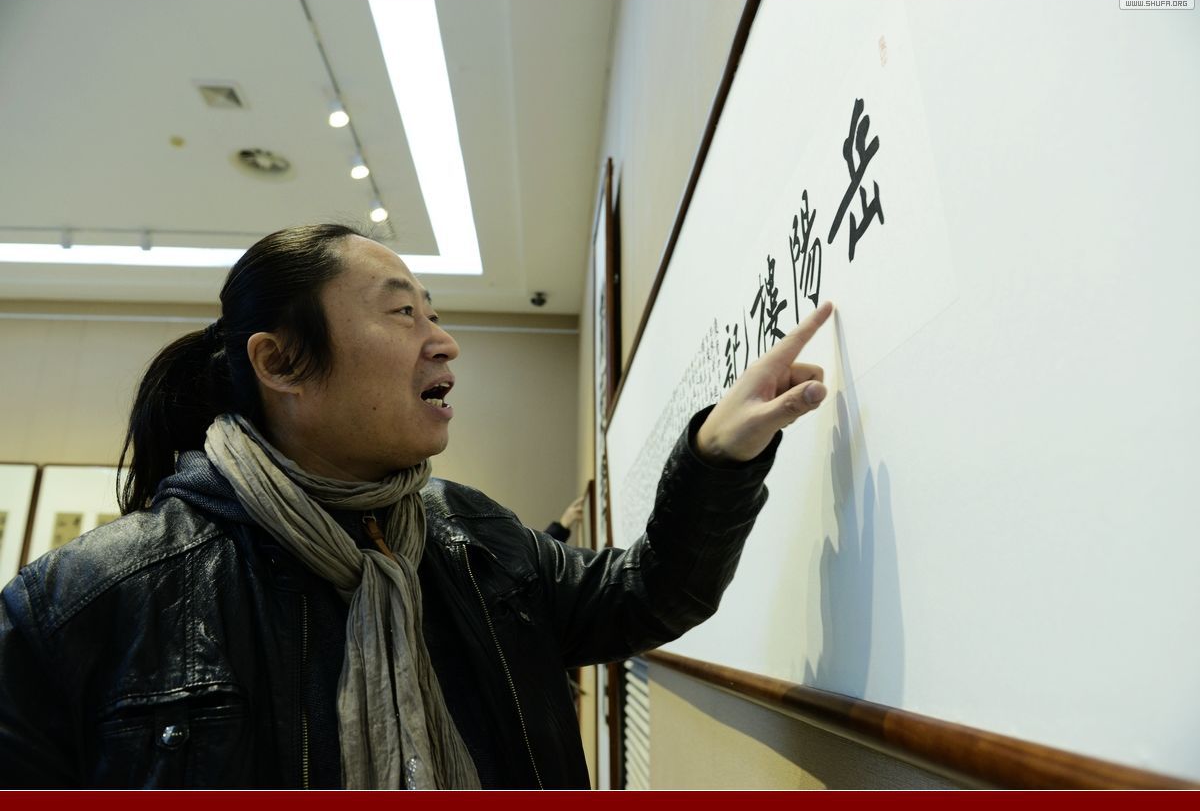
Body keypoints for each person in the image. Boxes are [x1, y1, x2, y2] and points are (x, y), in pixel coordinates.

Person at [0, 224, 833, 788]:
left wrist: (717, 454)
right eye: (403, 313)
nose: (444, 341)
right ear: (281, 363)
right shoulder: (79, 606)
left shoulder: (472, 536)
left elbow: (646, 595)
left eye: (433, 312)